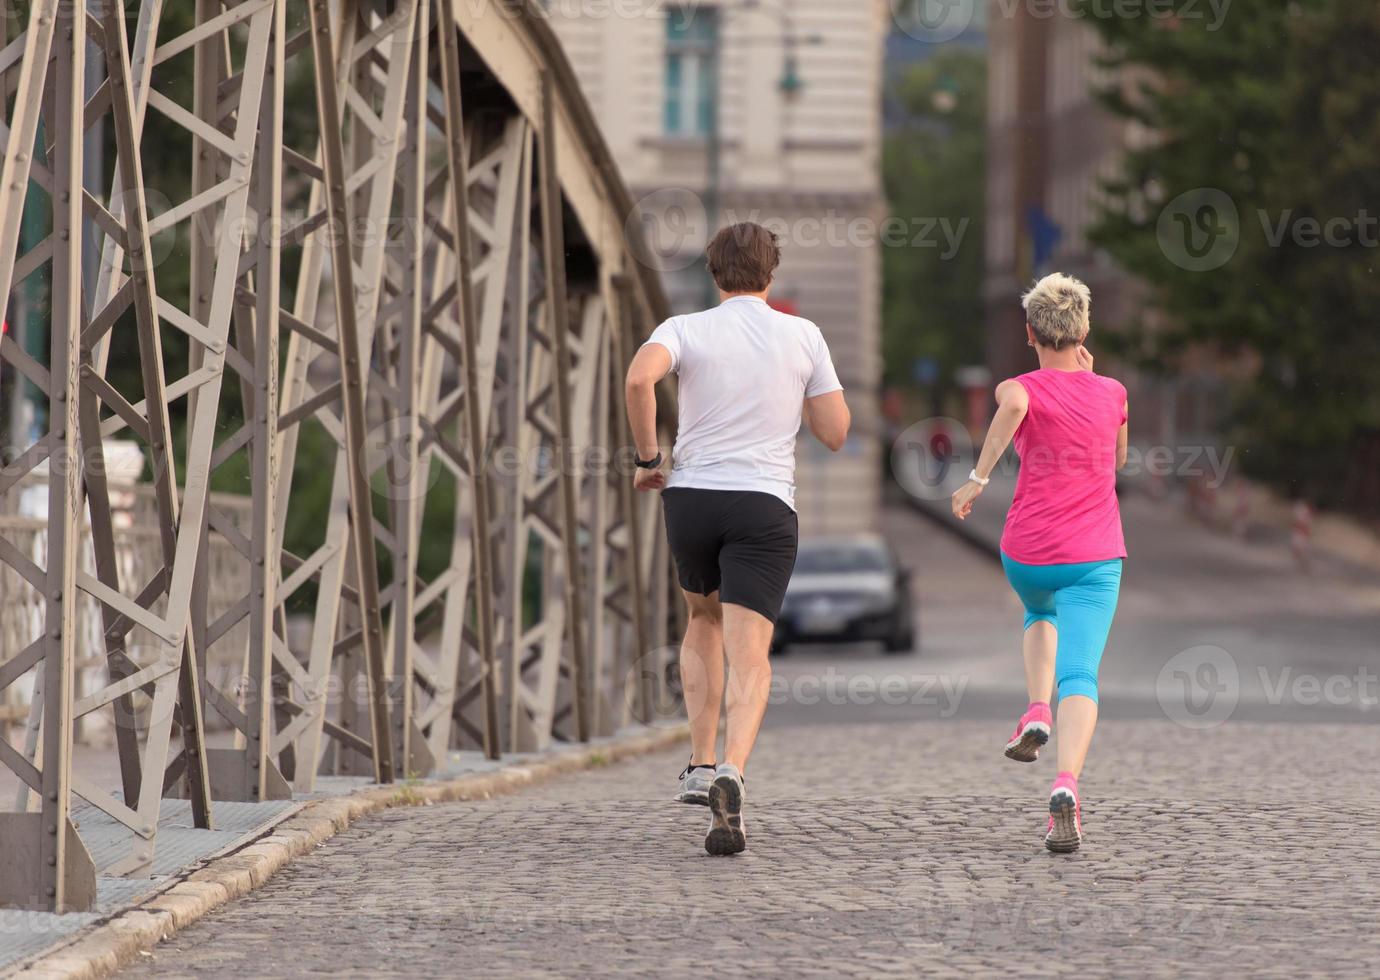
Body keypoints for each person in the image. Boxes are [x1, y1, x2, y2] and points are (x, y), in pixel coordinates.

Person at [624, 222, 851, 855]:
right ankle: (733, 769)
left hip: (692, 498)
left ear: (713, 274)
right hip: (763, 503)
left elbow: (640, 380)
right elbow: (835, 433)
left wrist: (649, 459)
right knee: (751, 649)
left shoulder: (684, 328)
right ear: (771, 274)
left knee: (702, 619)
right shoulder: (803, 335)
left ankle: (698, 764)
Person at [950, 272, 1128, 853]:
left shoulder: (1020, 387)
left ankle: (1033, 709)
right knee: (1081, 676)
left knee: (1037, 613)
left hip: (1028, 551)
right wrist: (1094, 380)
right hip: (1095, 555)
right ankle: (1067, 786)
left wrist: (976, 479)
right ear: (1085, 331)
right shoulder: (1113, 393)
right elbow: (1118, 456)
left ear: (1030, 332)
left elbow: (1016, 405)